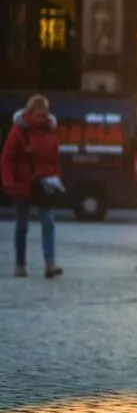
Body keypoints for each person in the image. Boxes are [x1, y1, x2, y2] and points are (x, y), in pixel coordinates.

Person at [1, 94, 65, 279]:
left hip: (43, 182)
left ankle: (49, 264)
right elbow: (6, 158)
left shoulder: (50, 131)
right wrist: (8, 182)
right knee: (22, 224)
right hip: (23, 183)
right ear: (30, 113)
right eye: (38, 113)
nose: (42, 116)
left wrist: (56, 177)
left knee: (48, 223)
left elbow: (54, 159)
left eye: (44, 112)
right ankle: (20, 264)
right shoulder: (19, 130)